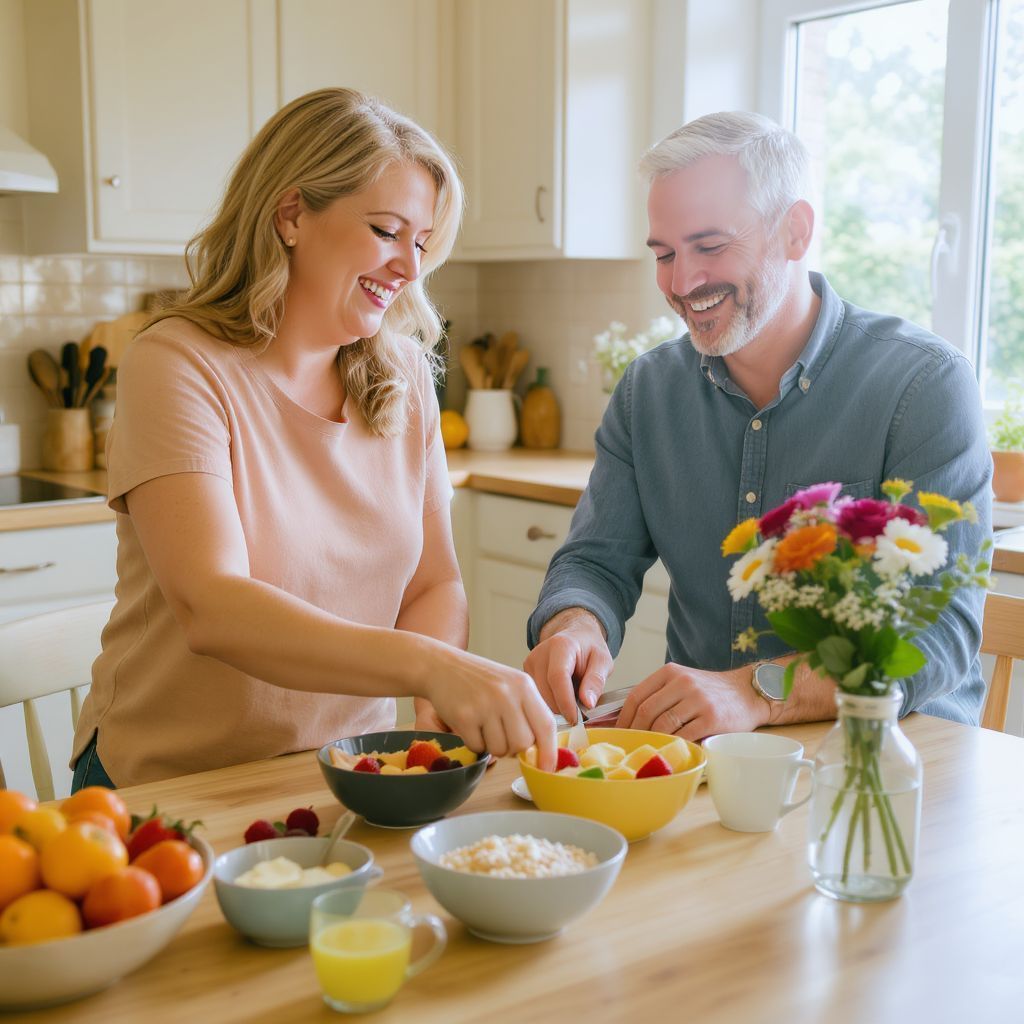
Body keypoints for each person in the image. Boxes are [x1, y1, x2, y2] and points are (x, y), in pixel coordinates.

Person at [71, 88, 555, 789]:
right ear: (292, 214)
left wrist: (429, 701)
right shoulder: (179, 363)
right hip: (170, 786)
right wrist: (432, 667)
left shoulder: (407, 375)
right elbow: (213, 606)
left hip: (343, 776)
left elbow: (435, 583)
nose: (410, 268)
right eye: (388, 231)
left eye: (421, 243)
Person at [525, 111, 992, 739]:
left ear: (794, 231)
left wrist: (755, 692)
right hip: (706, 762)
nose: (682, 282)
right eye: (663, 254)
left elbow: (936, 634)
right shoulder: (648, 391)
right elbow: (596, 562)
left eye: (710, 247)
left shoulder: (923, 385)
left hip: (888, 768)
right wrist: (574, 625)